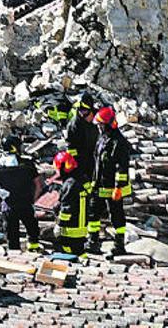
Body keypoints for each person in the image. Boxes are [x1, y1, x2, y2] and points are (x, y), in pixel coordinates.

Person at [0, 135, 43, 252]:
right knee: (33, 233)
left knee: (12, 238)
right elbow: (38, 185)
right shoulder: (28, 164)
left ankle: (16, 259)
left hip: (9, 207)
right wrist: (33, 200)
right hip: (26, 205)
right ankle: (34, 251)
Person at [65, 92, 102, 252]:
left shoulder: (95, 123)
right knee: (83, 202)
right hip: (80, 168)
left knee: (95, 202)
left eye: (85, 112)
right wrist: (81, 175)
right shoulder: (74, 125)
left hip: (94, 164)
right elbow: (72, 153)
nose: (82, 114)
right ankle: (81, 238)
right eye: (80, 111)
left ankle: (93, 237)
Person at [93, 106, 132, 257]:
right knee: (93, 213)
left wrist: (118, 188)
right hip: (100, 185)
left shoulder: (119, 142)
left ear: (108, 124)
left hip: (113, 188)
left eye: (100, 124)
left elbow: (122, 168)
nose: (98, 127)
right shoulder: (103, 138)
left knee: (116, 215)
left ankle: (119, 245)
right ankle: (93, 242)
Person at [53, 150, 89, 258]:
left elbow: (66, 209)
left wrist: (59, 225)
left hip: (71, 228)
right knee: (80, 250)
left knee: (66, 250)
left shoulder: (69, 184)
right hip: (83, 226)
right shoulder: (82, 178)